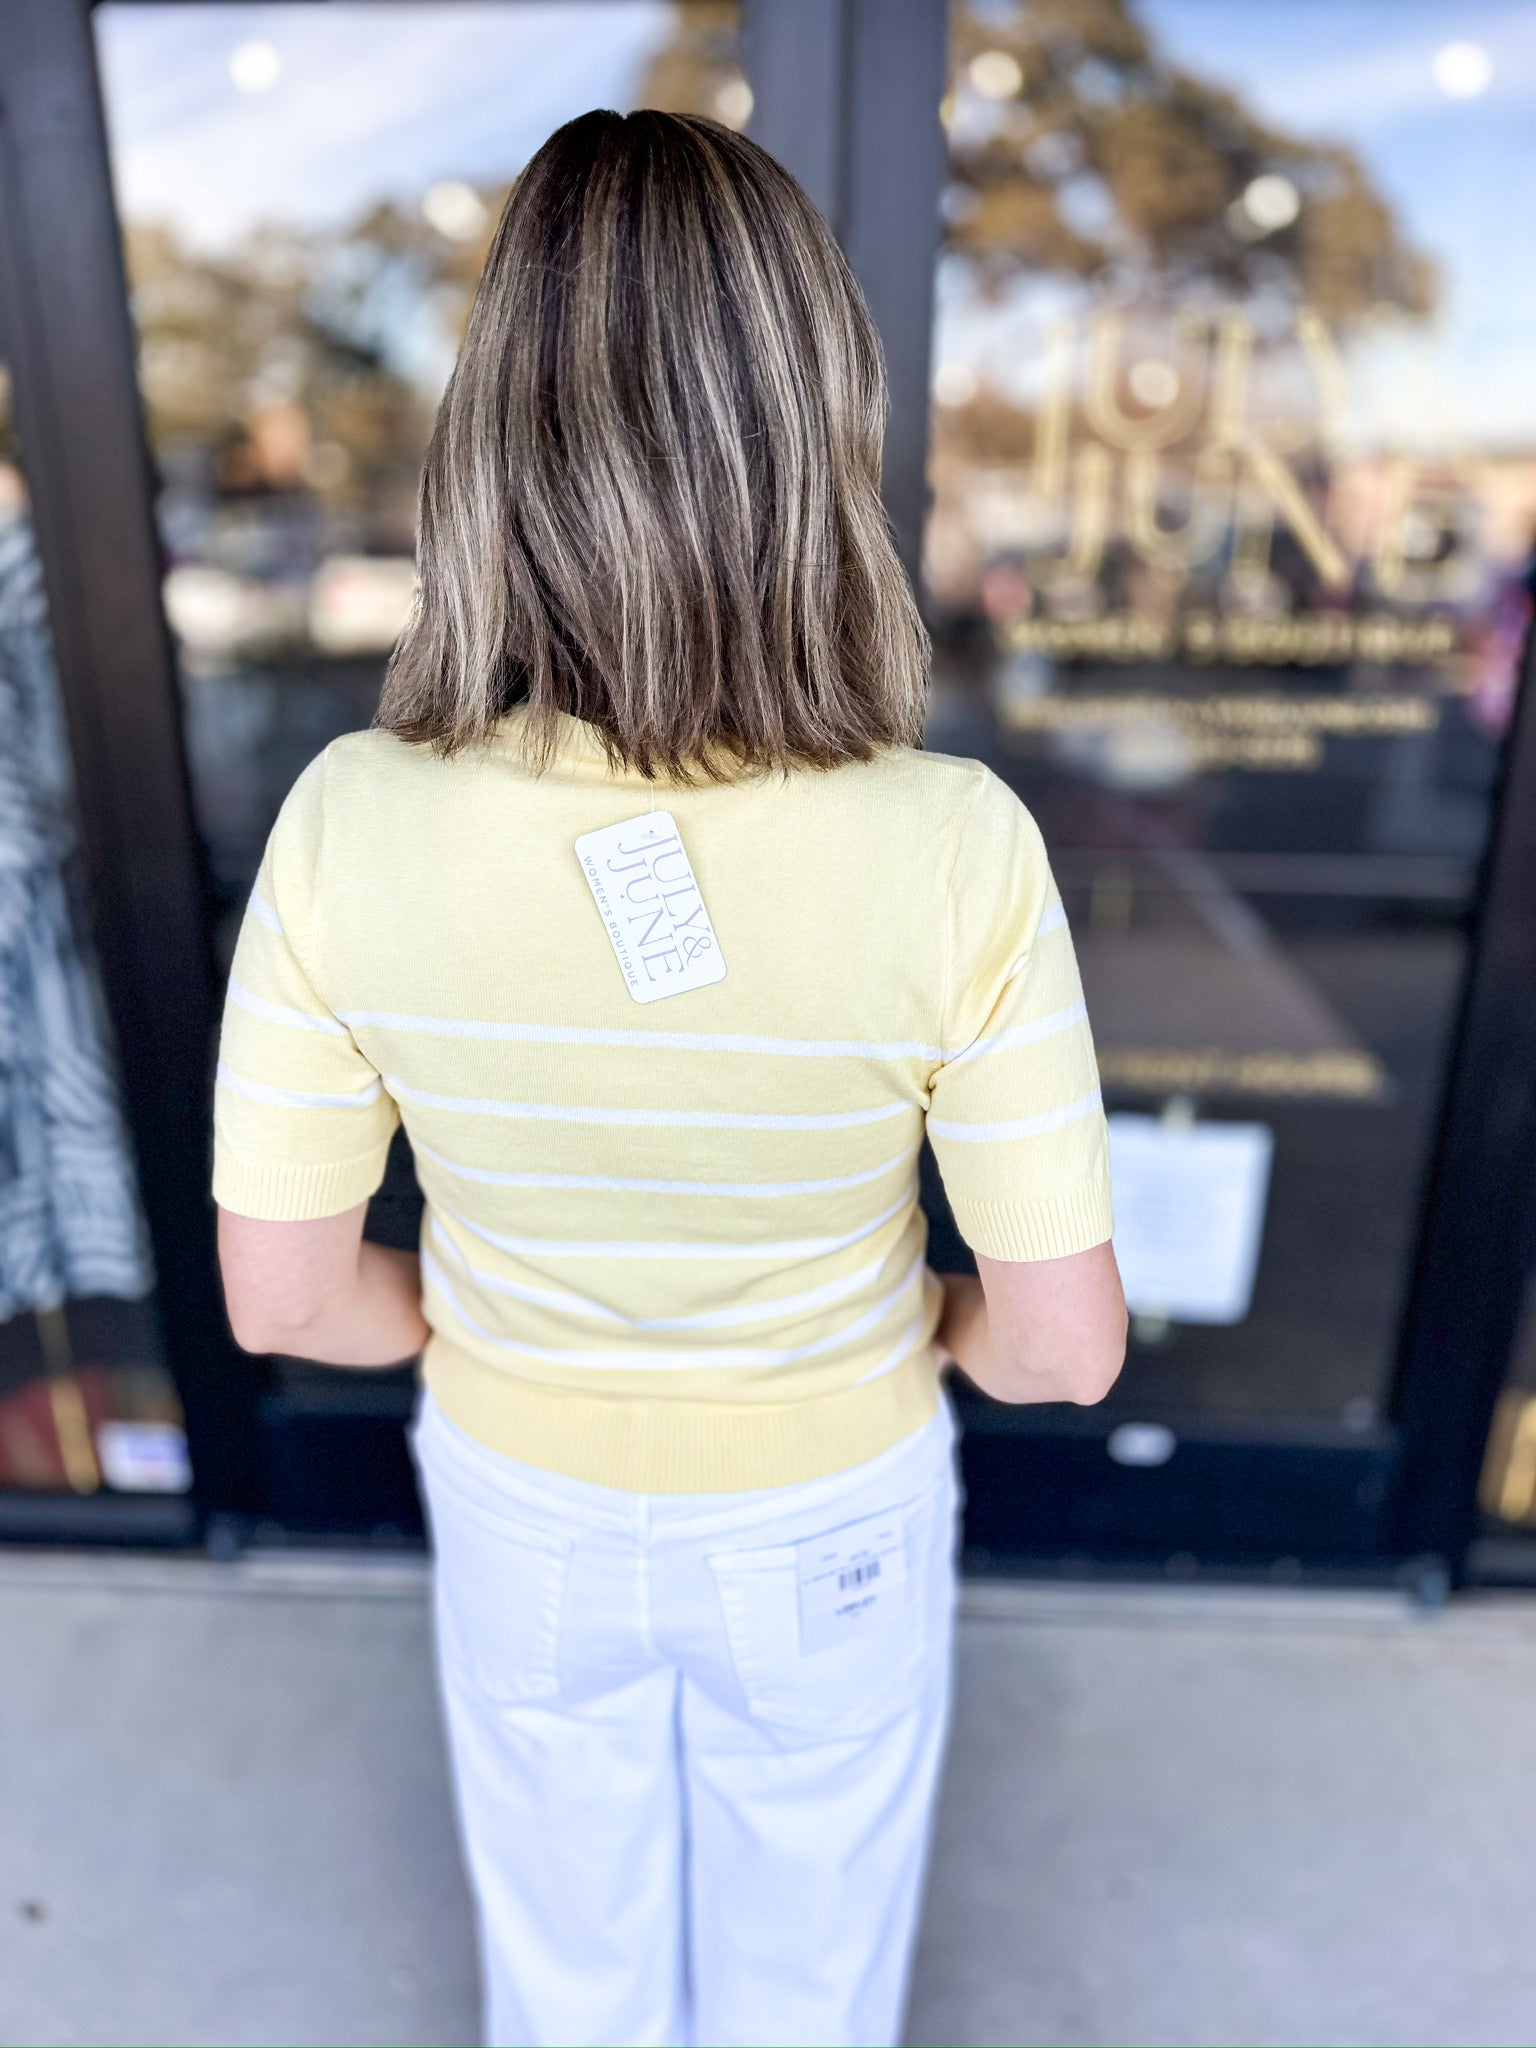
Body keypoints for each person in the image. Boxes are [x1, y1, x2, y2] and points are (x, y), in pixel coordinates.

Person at [212, 110, 1126, 2048]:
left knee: (568, 1972)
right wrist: (896, 1314)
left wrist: (509, 1309)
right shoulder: (952, 837)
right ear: (816, 418)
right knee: (813, 1982)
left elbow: (288, 1296)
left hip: (522, 1486)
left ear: (492, 429)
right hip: (836, 1505)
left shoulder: (351, 817)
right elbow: (1063, 1346)